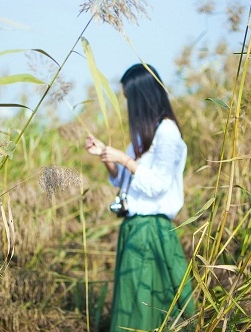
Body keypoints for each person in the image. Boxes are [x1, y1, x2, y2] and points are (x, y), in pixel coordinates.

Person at [85, 63, 195, 331]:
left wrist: (123, 158)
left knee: (147, 303)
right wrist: (107, 158)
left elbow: (157, 184)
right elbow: (124, 182)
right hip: (133, 228)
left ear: (141, 96)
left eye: (128, 99)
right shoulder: (141, 137)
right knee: (134, 301)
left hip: (152, 230)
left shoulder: (167, 131)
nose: (128, 107)